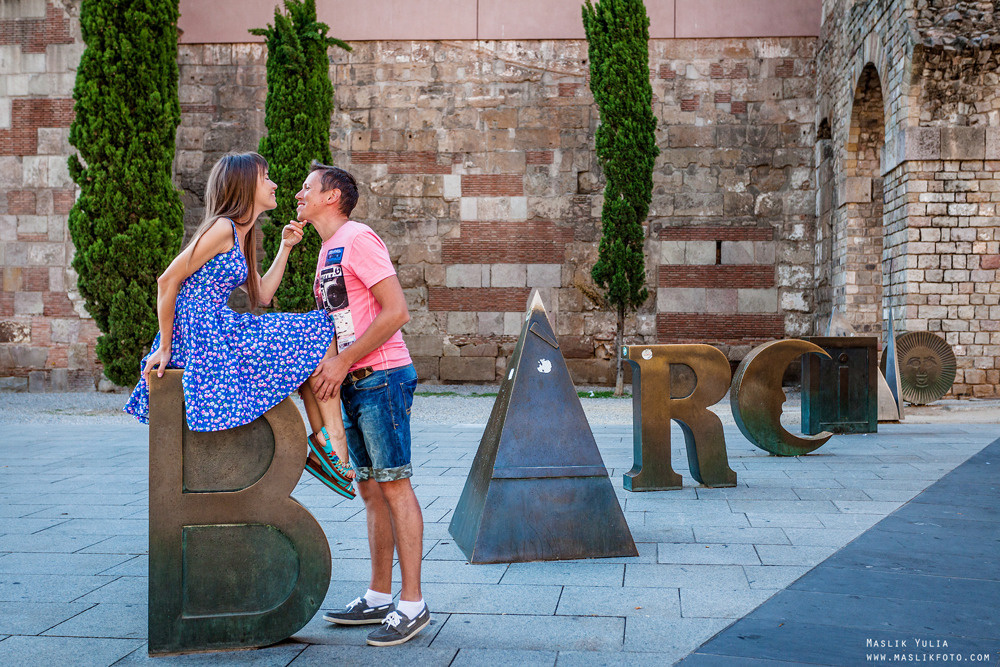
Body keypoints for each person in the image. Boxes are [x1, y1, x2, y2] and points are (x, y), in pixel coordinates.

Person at [123, 151, 354, 498]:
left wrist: (285, 248)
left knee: (315, 335)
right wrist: (166, 347)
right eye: (266, 177)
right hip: (206, 331)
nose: (274, 185)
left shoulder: (240, 233)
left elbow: (263, 295)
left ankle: (327, 445)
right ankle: (334, 442)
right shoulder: (222, 228)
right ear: (245, 185)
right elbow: (167, 280)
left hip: (217, 327)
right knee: (319, 327)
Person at [298, 162, 428, 647]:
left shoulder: (358, 238)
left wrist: (344, 361)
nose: (298, 194)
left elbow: (397, 311)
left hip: (382, 377)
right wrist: (327, 368)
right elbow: (337, 322)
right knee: (371, 490)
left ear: (332, 196)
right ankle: (378, 594)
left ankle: (412, 603)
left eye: (307, 188)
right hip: (352, 381)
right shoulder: (326, 249)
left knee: (394, 485)